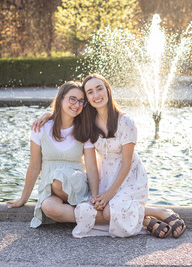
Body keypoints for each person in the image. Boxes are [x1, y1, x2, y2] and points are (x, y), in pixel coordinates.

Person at [29, 75, 186, 238]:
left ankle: (159, 211)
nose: (96, 95)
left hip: (128, 176)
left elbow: (126, 163)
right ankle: (146, 221)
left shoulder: (125, 121)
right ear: (87, 99)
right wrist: (48, 115)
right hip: (103, 176)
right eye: (90, 92)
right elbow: (65, 114)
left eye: (99, 89)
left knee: (110, 212)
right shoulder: (88, 123)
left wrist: (109, 194)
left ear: (108, 91)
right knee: (92, 209)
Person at [7, 81, 99, 228]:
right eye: (72, 99)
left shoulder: (84, 131)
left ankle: (94, 214)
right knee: (49, 207)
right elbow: (34, 166)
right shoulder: (41, 128)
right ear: (61, 98)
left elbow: (92, 168)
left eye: (81, 101)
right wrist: (23, 199)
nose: (77, 105)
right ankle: (96, 219)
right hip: (51, 190)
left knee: (58, 180)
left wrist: (94, 197)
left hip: (77, 184)